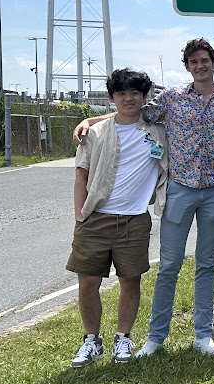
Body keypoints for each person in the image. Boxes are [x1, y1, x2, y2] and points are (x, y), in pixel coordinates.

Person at [75, 38, 214, 357]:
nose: (200, 66)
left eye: (205, 60)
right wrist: (90, 120)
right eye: (194, 61)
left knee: (206, 264)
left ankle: (202, 336)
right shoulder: (171, 98)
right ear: (187, 66)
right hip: (179, 188)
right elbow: (132, 113)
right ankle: (156, 337)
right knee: (169, 265)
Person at [67, 68, 168, 368]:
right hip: (95, 217)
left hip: (135, 220)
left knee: (130, 281)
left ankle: (123, 337)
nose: (128, 98)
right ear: (112, 98)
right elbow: (80, 176)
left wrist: (87, 117)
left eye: (135, 93)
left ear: (144, 97)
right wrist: (79, 216)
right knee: (87, 282)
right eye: (121, 93)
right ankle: (91, 340)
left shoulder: (157, 131)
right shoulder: (95, 134)